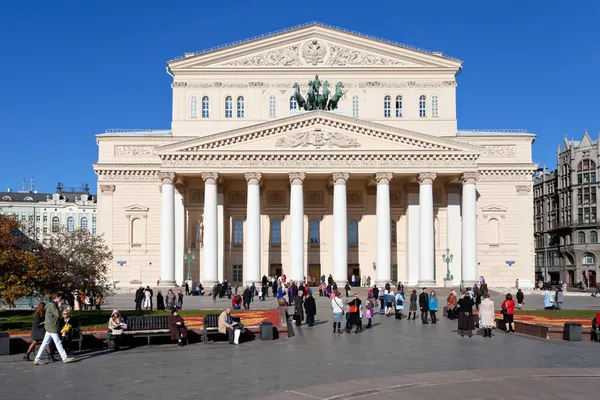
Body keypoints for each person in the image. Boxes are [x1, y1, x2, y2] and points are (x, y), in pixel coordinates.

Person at [33, 294, 74, 364]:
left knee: (44, 344)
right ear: (56, 297)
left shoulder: (50, 304)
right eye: (60, 298)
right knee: (58, 343)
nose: (61, 300)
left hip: (49, 326)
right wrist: (60, 305)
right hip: (52, 327)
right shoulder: (52, 305)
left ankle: (37, 359)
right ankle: (65, 358)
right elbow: (57, 314)